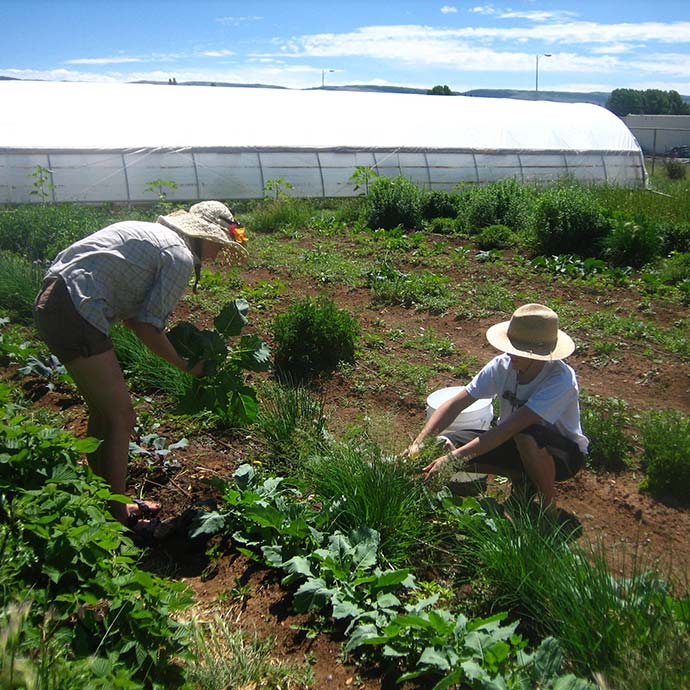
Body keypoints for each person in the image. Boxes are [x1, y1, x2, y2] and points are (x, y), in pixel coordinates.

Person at [34, 200, 248, 538]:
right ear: (202, 236)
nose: (219, 253)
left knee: (104, 413)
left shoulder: (156, 235)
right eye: (219, 244)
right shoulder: (178, 256)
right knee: (122, 417)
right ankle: (119, 518)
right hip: (77, 307)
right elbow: (146, 326)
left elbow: (134, 318)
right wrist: (186, 365)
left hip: (56, 299)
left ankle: (106, 499)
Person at [403, 303, 588, 516]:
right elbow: (456, 404)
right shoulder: (502, 366)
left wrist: (455, 458)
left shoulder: (560, 379)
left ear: (539, 354)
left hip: (562, 455)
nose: (510, 354)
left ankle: (548, 506)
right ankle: (522, 480)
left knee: (526, 435)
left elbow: (508, 429)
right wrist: (419, 443)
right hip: (512, 441)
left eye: (517, 350)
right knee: (444, 445)